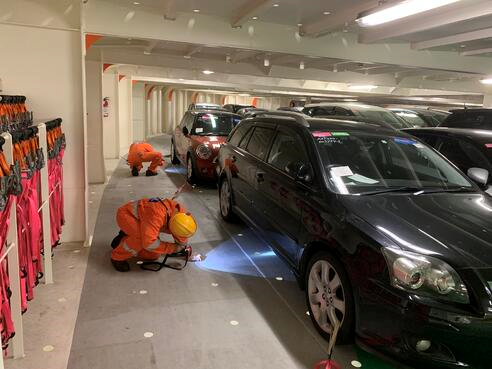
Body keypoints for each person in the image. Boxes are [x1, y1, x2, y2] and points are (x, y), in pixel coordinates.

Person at [110, 197, 197, 272]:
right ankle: (117, 256)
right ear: (170, 226)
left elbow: (181, 232)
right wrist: (173, 248)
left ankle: (125, 236)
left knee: (153, 255)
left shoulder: (182, 215)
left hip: (144, 219)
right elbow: (149, 243)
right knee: (141, 240)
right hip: (126, 215)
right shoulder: (156, 216)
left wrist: (182, 247)